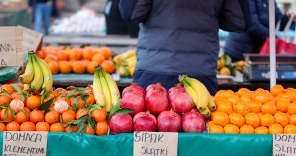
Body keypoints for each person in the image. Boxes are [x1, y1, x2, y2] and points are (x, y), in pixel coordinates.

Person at [118, 0, 250, 94]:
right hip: (200, 75)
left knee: (148, 127)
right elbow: (240, 21)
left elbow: (129, 12)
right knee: (198, 131)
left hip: (154, 73)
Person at [225, 0, 296, 61]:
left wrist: (288, 18)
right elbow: (252, 25)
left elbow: (277, 21)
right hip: (239, 53)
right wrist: (275, 39)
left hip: (258, 53)